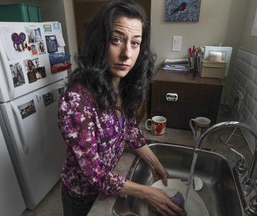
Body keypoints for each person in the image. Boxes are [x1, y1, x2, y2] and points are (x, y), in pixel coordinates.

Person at [57, 0, 182, 215]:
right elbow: (94, 173)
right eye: (117, 40)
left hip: (112, 184)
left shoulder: (122, 84)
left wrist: (154, 162)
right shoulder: (76, 101)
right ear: (99, 42)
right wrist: (147, 193)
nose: (127, 53)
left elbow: (129, 129)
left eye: (135, 43)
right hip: (83, 197)